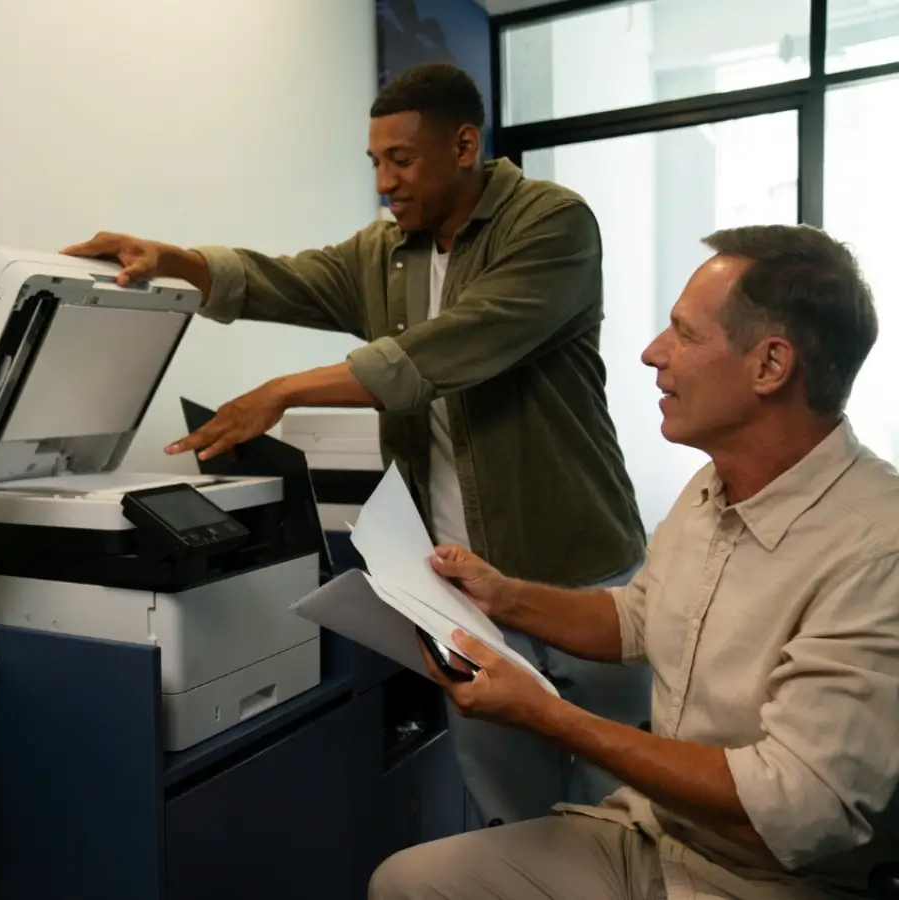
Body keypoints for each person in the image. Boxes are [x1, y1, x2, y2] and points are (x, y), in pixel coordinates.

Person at [64, 61, 648, 826]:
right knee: (511, 811)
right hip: (462, 593)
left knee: (622, 807)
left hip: (580, 572)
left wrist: (282, 391)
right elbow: (283, 280)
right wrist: (172, 259)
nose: (384, 182)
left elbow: (451, 349)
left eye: (400, 160)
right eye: (374, 163)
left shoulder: (550, 223)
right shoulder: (384, 253)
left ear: (464, 145)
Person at [370, 224, 899, 900]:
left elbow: (790, 813)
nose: (654, 354)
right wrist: (503, 597)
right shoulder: (711, 489)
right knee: (407, 881)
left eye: (685, 334)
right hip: (656, 835)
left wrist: (547, 716)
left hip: (769, 879)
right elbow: (637, 616)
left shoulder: (875, 550)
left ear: (770, 366)